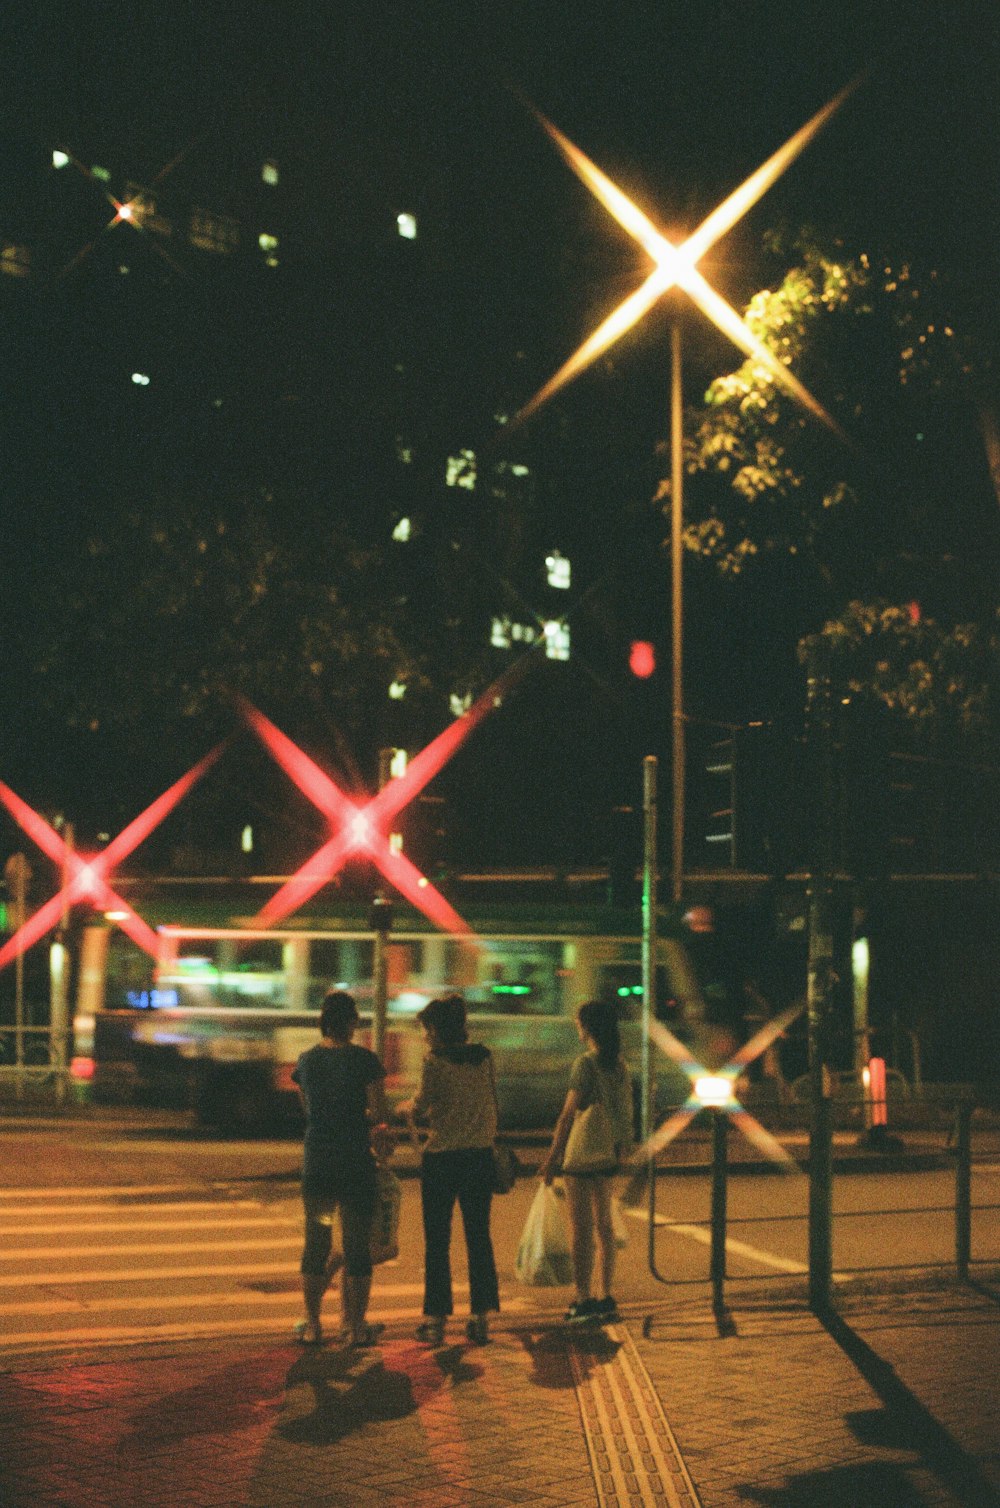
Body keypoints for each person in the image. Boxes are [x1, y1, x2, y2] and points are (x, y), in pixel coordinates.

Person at [398, 994, 500, 1346]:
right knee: (478, 1237)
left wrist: (405, 1106)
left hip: (442, 1158)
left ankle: (437, 1320)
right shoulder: (484, 1058)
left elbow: (423, 1104)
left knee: (438, 1241)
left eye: (427, 1029)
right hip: (479, 1157)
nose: (425, 1035)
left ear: (438, 1030)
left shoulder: (434, 1062)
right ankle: (481, 1318)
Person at [290, 990, 389, 1347]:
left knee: (316, 1243)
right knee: (356, 1245)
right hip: (355, 1165)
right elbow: (379, 1113)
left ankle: (314, 1324)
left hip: (318, 1163)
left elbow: (309, 1110)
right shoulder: (366, 1061)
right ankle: (354, 1326)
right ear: (351, 1022)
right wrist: (361, 1117)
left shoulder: (306, 1061)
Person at [538, 999, 634, 1323]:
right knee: (604, 1226)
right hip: (607, 1152)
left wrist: (553, 1158)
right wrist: (623, 1146)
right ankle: (606, 1295)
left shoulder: (585, 1064)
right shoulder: (619, 1064)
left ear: (588, 1028)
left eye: (579, 1023)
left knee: (580, 1229)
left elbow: (567, 1117)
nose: (577, 1028)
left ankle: (582, 1299)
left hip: (580, 1156)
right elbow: (624, 1111)